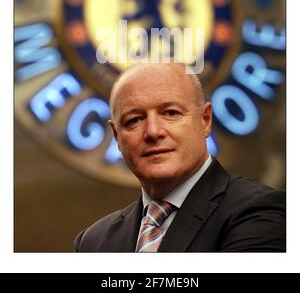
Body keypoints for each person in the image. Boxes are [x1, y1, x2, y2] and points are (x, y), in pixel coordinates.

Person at [74, 62, 285, 252]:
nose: (153, 131)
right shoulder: (93, 243)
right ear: (117, 136)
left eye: (171, 113)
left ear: (205, 120)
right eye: (135, 120)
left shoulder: (258, 211)